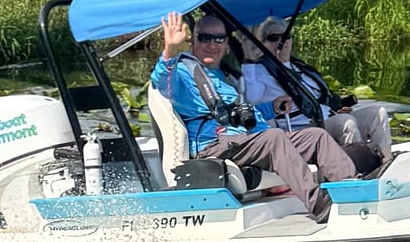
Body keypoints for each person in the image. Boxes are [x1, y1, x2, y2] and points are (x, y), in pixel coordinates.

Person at [150, 12, 355, 220]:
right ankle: (319, 204)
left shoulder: (225, 76)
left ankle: (353, 195)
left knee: (315, 136)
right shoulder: (183, 73)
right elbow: (162, 83)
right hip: (213, 145)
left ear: (226, 43)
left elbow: (243, 113)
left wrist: (270, 108)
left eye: (219, 38)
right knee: (273, 138)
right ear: (193, 40)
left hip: (242, 142)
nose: (212, 44)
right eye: (205, 38)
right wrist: (170, 50)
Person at [241, 16, 393, 162]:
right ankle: (356, 169)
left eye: (286, 37)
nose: (282, 42)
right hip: (302, 128)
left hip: (326, 118)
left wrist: (334, 108)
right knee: (346, 122)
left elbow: (316, 96)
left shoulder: (299, 66)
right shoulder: (259, 69)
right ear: (261, 42)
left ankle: (385, 162)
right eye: (274, 38)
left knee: (377, 113)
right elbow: (252, 98)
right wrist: (250, 61)